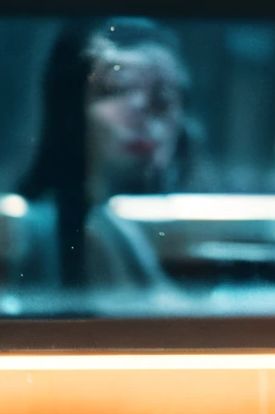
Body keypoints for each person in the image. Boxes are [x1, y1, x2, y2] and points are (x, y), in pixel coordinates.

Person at [12, 17, 193, 304]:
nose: (140, 110)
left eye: (163, 97)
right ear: (70, 106)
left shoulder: (114, 225)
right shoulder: (68, 231)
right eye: (116, 89)